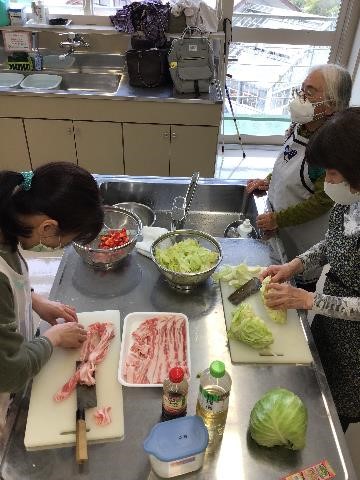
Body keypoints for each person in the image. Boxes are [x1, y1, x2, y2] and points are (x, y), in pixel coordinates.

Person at [260, 107, 360, 433]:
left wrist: (308, 300)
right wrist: (295, 264)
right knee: (316, 395)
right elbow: (333, 243)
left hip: (356, 355)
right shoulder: (350, 201)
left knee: (332, 420)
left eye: (332, 173)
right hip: (331, 324)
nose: (327, 182)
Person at [0, 162, 104, 429]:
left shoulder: (6, 227)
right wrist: (53, 337)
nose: (60, 247)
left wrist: (35, 300)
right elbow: (10, 372)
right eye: (64, 242)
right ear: (47, 228)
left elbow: (8, 288)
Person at [246, 63, 352, 291]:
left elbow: (322, 202)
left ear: (331, 104)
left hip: (302, 242)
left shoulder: (330, 150)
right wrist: (269, 180)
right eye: (302, 89)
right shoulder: (300, 127)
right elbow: (288, 162)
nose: (302, 96)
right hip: (280, 230)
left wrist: (279, 218)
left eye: (311, 92)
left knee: (294, 293)